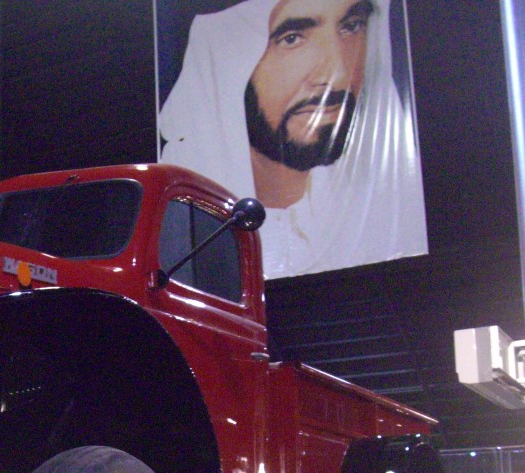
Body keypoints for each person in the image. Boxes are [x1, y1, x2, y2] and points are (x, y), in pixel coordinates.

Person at [158, 0, 427, 279]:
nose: (337, 77)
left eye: (351, 26)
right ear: (228, 67)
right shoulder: (178, 229)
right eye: (292, 39)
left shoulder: (382, 221)